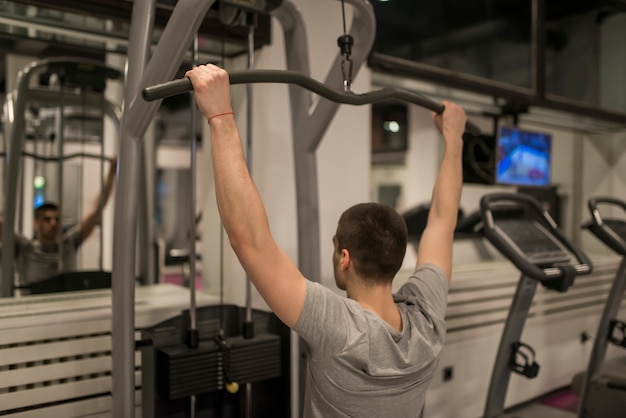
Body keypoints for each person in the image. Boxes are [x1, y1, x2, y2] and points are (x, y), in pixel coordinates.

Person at [186, 64, 466, 417]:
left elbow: (249, 240)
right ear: (395, 259)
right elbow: (442, 221)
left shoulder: (339, 329)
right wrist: (454, 139)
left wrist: (221, 116)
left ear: (344, 258)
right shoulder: (426, 319)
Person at [0, 157, 118, 288]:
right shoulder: (25, 248)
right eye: (47, 219)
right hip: (34, 306)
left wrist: (112, 172)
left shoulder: (69, 242)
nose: (53, 223)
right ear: (36, 223)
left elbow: (96, 211)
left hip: (67, 304)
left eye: (57, 219)